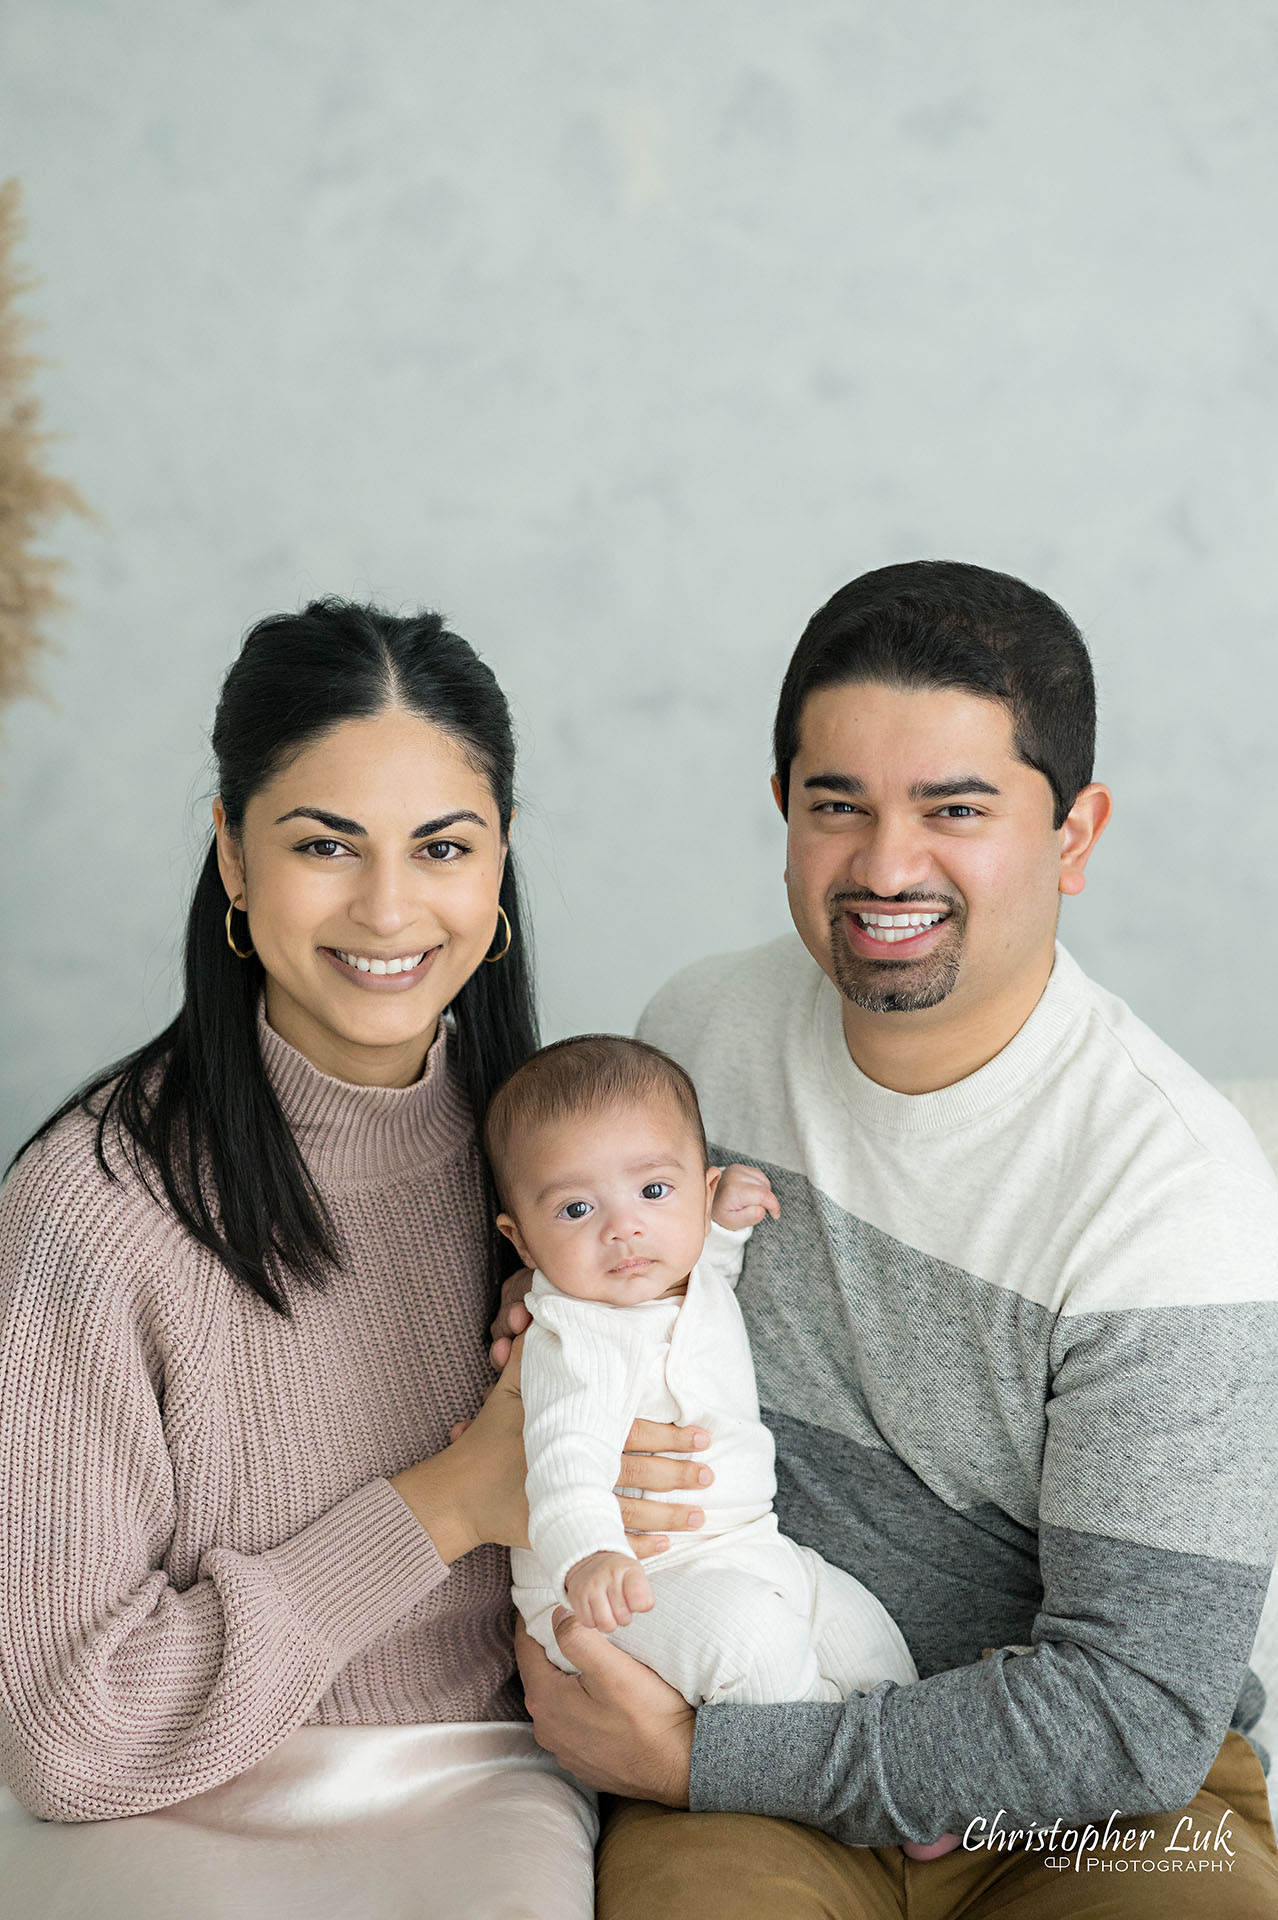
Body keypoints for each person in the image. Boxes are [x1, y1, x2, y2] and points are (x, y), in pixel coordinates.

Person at [507, 561, 1278, 1917]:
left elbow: (1135, 1714)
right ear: (782, 815)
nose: (882, 867)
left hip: (1091, 1807)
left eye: (954, 810)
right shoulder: (695, 1041)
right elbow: (593, 1299)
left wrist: (701, 1757)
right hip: (760, 1684)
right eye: (835, 806)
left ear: (1074, 835)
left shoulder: (1174, 1194)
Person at [0, 600, 599, 1918]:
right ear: (230, 853)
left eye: (442, 846)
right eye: (325, 844)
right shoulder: (87, 1211)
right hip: (147, 1800)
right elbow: (70, 1734)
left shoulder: (564, 1174)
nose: (389, 908)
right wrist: (444, 1505)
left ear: (498, 865)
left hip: (478, 1779)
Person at [486, 1035, 925, 1716]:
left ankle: (900, 1786)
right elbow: (562, 1462)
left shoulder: (681, 1278)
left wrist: (723, 1230)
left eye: (655, 1191)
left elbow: (708, 1279)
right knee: (751, 1641)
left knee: (861, 1632)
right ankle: (824, 1791)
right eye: (577, 1209)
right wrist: (590, 1557)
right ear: (521, 1240)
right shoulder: (578, 1335)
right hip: (624, 1585)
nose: (625, 1229)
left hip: (749, 1544)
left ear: (705, 1186)